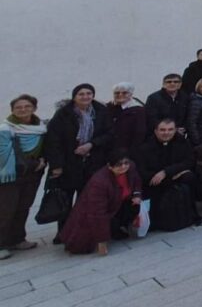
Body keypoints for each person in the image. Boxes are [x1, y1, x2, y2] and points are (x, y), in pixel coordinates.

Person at [44, 83, 114, 239]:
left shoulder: (101, 111)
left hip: (92, 162)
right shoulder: (63, 114)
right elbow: (53, 141)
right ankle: (62, 233)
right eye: (81, 94)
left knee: (86, 200)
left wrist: (91, 144)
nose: (85, 96)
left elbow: (109, 134)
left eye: (89, 93)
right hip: (68, 164)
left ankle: (81, 232)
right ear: (74, 97)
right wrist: (56, 165)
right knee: (65, 200)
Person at [60, 149, 142, 256]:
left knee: (134, 207)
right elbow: (97, 214)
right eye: (119, 165)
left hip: (118, 204)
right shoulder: (99, 182)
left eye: (126, 163)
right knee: (81, 246)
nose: (123, 167)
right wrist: (102, 242)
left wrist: (137, 195)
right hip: (99, 211)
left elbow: (136, 181)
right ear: (109, 166)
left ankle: (117, 228)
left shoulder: (131, 168)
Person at [0, 95, 46, 259]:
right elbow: (4, 154)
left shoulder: (40, 127)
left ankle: (18, 239)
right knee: (6, 209)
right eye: (19, 107)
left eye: (27, 106)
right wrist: (35, 164)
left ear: (34, 108)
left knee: (23, 207)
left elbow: (45, 147)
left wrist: (43, 160)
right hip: (9, 176)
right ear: (12, 110)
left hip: (32, 175)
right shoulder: (5, 129)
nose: (23, 109)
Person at [136, 119, 199, 231]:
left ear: (175, 130)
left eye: (170, 129)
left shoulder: (182, 142)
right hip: (155, 184)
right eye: (162, 130)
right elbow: (143, 172)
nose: (166, 133)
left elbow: (189, 161)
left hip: (172, 177)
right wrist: (167, 176)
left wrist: (166, 172)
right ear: (155, 131)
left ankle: (188, 215)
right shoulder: (145, 147)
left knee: (189, 177)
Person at [107, 82, 147, 151]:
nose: (120, 95)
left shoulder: (139, 110)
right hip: (109, 148)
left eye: (124, 93)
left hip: (129, 149)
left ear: (131, 94)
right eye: (117, 93)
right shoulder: (107, 107)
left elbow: (140, 132)